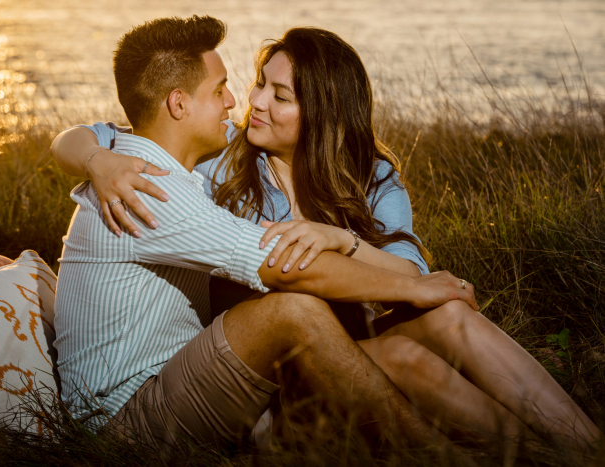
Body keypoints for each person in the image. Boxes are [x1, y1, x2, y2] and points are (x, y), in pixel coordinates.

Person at [52, 18, 601, 451]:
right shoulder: (206, 168)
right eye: (251, 85)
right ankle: (509, 455)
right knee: (393, 346)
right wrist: (96, 159)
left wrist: (345, 241)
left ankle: (577, 448)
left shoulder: (371, 175)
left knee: (450, 315)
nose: (248, 103)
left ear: (324, 112)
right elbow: (114, 132)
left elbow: (408, 270)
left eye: (279, 95)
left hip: (337, 350)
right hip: (272, 368)